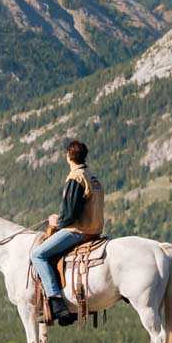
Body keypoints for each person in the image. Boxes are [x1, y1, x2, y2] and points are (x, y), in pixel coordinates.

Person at [30, 139, 105, 326]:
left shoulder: (75, 177)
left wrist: (56, 222)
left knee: (38, 255)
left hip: (78, 231)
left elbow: (70, 213)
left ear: (68, 156)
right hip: (95, 230)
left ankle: (56, 302)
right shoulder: (92, 177)